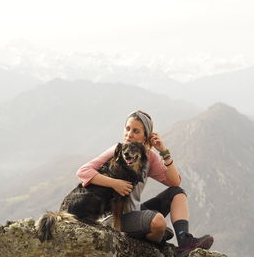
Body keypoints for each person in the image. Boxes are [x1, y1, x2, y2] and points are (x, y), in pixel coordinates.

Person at [77, 110, 214, 256]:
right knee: (158, 222)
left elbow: (174, 181)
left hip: (134, 212)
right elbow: (83, 171)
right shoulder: (117, 151)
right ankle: (155, 236)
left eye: (136, 131)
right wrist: (114, 183)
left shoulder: (149, 157)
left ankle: (184, 243)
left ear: (145, 136)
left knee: (177, 193)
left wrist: (163, 151)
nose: (129, 134)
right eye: (127, 129)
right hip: (114, 218)